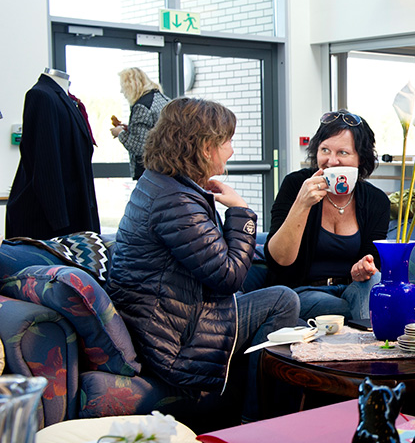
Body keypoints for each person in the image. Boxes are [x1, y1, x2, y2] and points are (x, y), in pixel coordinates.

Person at [107, 98, 301, 423]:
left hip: (167, 318)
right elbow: (227, 276)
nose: (232, 151)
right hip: (174, 340)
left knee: (270, 286)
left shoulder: (160, 184)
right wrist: (241, 212)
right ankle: (254, 421)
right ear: (205, 146)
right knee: (283, 301)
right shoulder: (176, 202)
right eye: (227, 141)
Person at [264, 110, 391, 323]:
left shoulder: (376, 200)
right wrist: (302, 204)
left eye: (343, 153)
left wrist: (364, 268)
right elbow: (279, 260)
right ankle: (367, 341)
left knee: (373, 283)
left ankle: (359, 334)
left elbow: (372, 261)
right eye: (325, 150)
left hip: (353, 288)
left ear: (360, 158)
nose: (331, 161)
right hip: (302, 292)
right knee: (361, 309)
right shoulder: (296, 185)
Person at [7, 67, 100, 239]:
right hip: (49, 221)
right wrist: (59, 223)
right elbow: (45, 162)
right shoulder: (41, 95)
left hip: (71, 212)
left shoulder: (67, 100)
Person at [110, 67, 171, 180]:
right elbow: (153, 131)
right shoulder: (163, 100)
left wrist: (120, 133)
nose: (122, 92)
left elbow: (139, 147)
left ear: (131, 86)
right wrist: (130, 129)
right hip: (167, 167)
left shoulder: (142, 106)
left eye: (123, 87)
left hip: (151, 172)